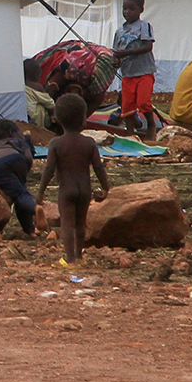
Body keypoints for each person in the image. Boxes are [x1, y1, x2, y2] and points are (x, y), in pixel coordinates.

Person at [36, 93, 110, 266]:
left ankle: (69, 260)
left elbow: (49, 170)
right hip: (84, 189)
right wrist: (106, 188)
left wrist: (40, 192)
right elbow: (99, 167)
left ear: (58, 119)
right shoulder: (89, 143)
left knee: (67, 224)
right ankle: (79, 256)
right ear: (83, 119)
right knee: (80, 224)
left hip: (66, 190)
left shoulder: (56, 143)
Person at [109, 0, 157, 136]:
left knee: (143, 102)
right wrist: (115, 61)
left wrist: (126, 53)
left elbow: (148, 46)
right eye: (125, 9)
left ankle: (151, 124)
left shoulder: (144, 26)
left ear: (141, 10)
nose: (127, 12)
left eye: (132, 9)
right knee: (127, 106)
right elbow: (116, 52)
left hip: (144, 72)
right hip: (128, 74)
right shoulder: (119, 32)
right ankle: (130, 132)